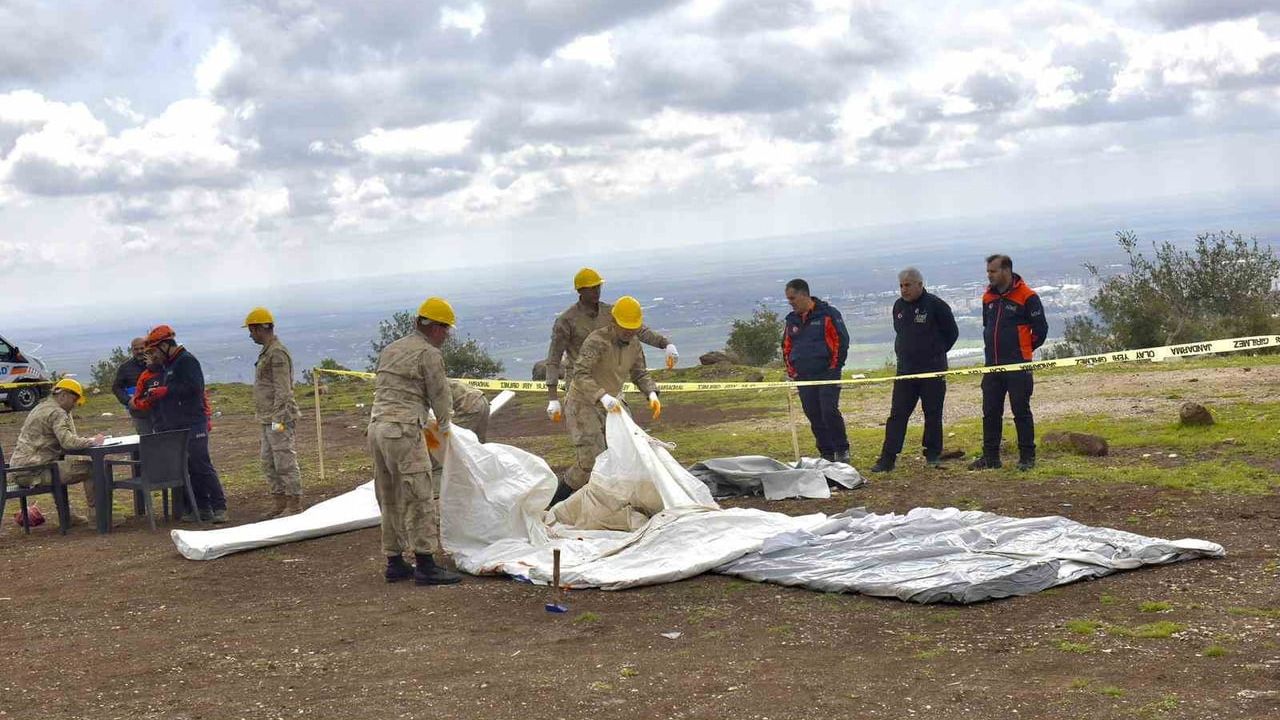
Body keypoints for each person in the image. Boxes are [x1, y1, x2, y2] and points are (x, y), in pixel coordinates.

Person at [368, 297, 462, 586]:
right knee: (420, 495)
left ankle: (394, 562)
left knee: (389, 496)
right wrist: (447, 430)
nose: (446, 335)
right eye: (445, 329)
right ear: (433, 327)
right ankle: (425, 563)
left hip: (376, 429)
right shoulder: (428, 354)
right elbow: (440, 395)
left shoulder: (391, 349)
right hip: (404, 431)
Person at [560, 296, 662, 501]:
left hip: (615, 404)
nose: (629, 332)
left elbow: (640, 373)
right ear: (614, 322)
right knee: (591, 463)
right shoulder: (597, 342)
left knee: (627, 453)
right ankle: (556, 500)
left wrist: (651, 393)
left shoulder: (634, 344)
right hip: (584, 404)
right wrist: (602, 396)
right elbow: (580, 374)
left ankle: (614, 502)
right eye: (625, 328)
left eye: (633, 328)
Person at [544, 267, 676, 424]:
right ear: (580, 290)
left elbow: (639, 330)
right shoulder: (566, 321)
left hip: (610, 382)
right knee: (591, 441)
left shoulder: (611, 313)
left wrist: (665, 344)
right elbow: (554, 358)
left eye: (598, 287)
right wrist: (552, 398)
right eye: (591, 288)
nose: (596, 291)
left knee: (623, 437)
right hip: (581, 387)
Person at [871, 268, 959, 472]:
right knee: (897, 414)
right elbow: (900, 332)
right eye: (901, 285)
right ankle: (888, 458)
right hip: (906, 371)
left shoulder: (936, 305)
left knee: (933, 413)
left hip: (932, 370)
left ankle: (933, 454)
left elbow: (951, 333)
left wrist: (935, 353)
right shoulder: (898, 306)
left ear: (920, 284)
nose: (904, 289)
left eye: (908, 285)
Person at [140, 325, 229, 522]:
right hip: (177, 424)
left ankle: (219, 506)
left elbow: (195, 388)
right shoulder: (169, 365)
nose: (154, 356)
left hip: (193, 422)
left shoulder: (186, 361)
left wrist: (166, 391)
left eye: (154, 351)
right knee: (189, 467)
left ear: (165, 345)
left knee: (201, 464)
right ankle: (202, 508)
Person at [969, 254, 1049, 472]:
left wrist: (1023, 350)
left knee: (1021, 411)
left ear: (1006, 271)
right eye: (988, 271)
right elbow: (988, 326)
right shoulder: (988, 297)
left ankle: (1027, 457)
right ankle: (990, 457)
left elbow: (1040, 330)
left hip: (1018, 365)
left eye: (993, 271)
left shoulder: (1027, 296)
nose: (989, 275)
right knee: (990, 412)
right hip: (992, 365)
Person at [8, 379, 104, 525]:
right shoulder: (57, 412)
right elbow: (68, 443)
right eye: (74, 399)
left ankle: (67, 517)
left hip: (20, 469)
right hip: (35, 470)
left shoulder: (40, 407)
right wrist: (91, 441)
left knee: (61, 466)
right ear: (63, 395)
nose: (74, 404)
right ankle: (99, 516)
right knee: (92, 468)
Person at [782, 279, 850, 463]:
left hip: (827, 373)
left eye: (793, 298)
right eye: (788, 299)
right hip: (803, 376)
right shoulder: (791, 320)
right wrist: (793, 372)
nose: (790, 302)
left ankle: (842, 450)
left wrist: (834, 368)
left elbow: (840, 342)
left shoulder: (827, 314)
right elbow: (786, 347)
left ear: (804, 295)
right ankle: (826, 452)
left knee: (828, 410)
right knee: (813, 412)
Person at [245, 307, 303, 519]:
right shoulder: (268, 351)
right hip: (267, 418)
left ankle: (293, 502)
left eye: (251, 330)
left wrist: (278, 420)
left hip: (278, 418)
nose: (250, 335)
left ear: (260, 328)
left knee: (283, 458)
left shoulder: (277, 353)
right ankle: (279, 500)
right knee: (268, 460)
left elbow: (283, 389)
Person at [112, 337, 152, 435]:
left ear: (147, 348)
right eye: (136, 349)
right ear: (132, 350)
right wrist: (128, 401)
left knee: (163, 438)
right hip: (139, 412)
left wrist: (153, 366)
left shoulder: (158, 363)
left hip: (159, 410)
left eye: (142, 348)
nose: (139, 351)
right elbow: (116, 387)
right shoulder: (125, 367)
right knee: (146, 438)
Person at [448, 379, 490, 443]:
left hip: (470, 403)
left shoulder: (431, 386)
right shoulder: (441, 380)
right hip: (482, 400)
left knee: (456, 438)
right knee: (479, 440)